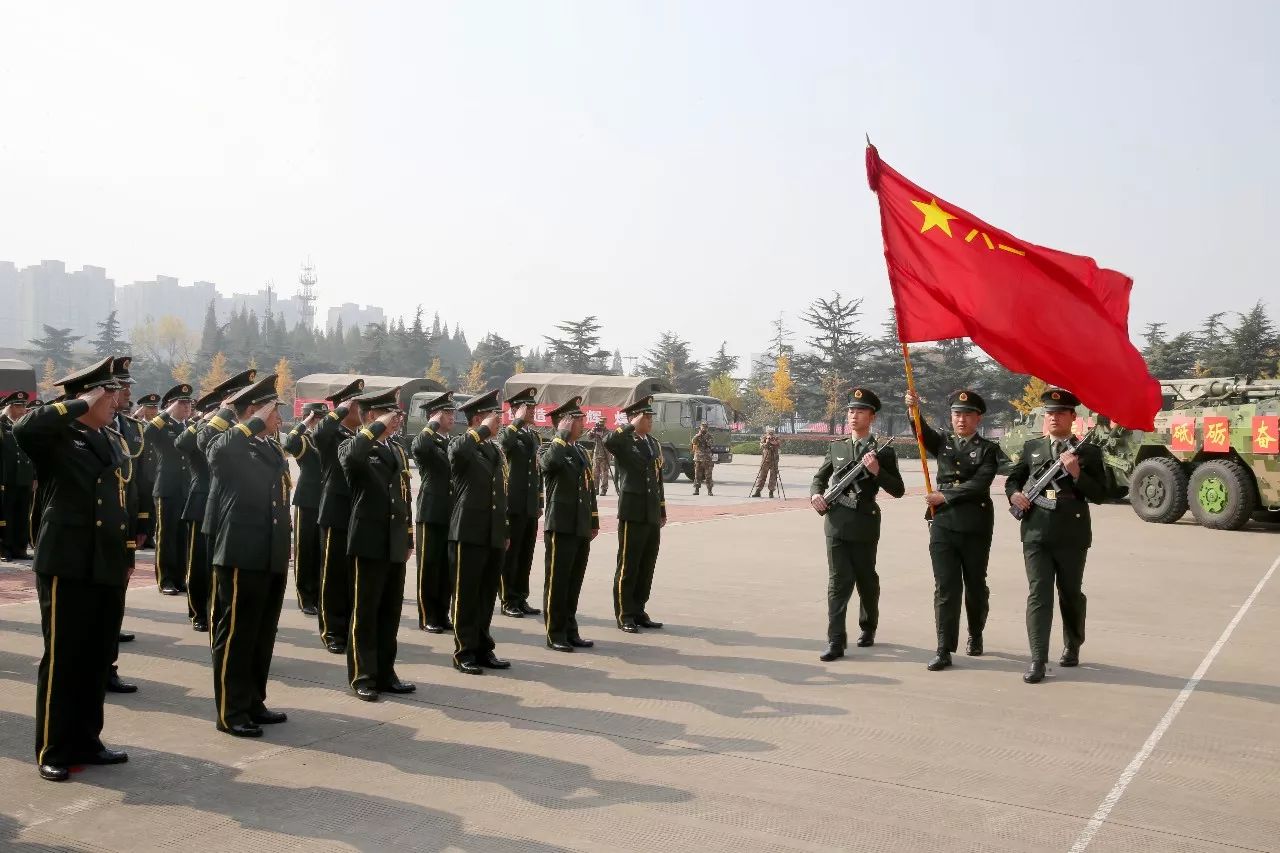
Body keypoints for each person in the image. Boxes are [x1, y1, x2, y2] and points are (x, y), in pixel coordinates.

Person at [15, 356, 132, 782]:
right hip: (67, 560)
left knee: (97, 656)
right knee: (64, 657)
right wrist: (79, 403)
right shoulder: (58, 434)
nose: (117, 400)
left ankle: (87, 739)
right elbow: (24, 428)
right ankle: (53, 746)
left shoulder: (108, 438)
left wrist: (126, 553)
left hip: (103, 560)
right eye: (110, 392)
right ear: (90, 394)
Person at [203, 373, 292, 736]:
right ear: (256, 411)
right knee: (237, 635)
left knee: (261, 633)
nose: (279, 419)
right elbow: (217, 450)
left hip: (269, 552)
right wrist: (251, 420)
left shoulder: (270, 446)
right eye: (274, 411)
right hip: (241, 553)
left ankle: (254, 700)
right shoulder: (231, 443)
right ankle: (231, 710)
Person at [1005, 388, 1107, 684]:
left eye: (1060, 413)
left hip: (1071, 535)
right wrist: (1015, 495)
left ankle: (1073, 643)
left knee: (1070, 594)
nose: (1053, 417)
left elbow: (1101, 494)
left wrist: (1076, 474)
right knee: (1039, 595)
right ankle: (1038, 659)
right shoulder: (1032, 448)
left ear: (1072, 417)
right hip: (1035, 532)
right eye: (1049, 413)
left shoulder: (1087, 451)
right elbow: (1014, 478)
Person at [905, 389, 1000, 672]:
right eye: (957, 414)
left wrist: (945, 495)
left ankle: (976, 632)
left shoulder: (988, 449)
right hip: (943, 524)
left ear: (978, 418)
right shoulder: (943, 443)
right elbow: (922, 434)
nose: (961, 419)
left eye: (967, 415)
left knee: (975, 585)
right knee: (945, 587)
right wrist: (914, 410)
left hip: (975, 524)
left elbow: (979, 484)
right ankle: (944, 648)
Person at [809, 388, 905, 662]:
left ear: (871, 417)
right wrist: (816, 493)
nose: (854, 416)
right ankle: (835, 641)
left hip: (864, 523)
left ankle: (868, 626)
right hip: (836, 522)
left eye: (860, 411)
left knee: (866, 579)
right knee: (838, 583)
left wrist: (877, 471)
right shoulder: (837, 446)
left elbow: (898, 489)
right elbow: (820, 477)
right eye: (851, 411)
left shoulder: (883, 452)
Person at [339, 387, 416, 701]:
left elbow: (404, 495)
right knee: (366, 612)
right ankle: (363, 674)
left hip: (394, 540)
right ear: (371, 415)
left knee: (389, 612)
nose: (396, 420)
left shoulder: (396, 449)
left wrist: (409, 536)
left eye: (397, 414)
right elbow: (353, 456)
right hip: (368, 540)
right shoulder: (353, 446)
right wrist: (375, 428)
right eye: (389, 413)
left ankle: (386, 672)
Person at [178, 370, 257, 633]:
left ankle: (225, 612)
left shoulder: (249, 426)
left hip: (234, 505)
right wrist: (214, 416)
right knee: (201, 565)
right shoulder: (211, 421)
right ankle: (199, 611)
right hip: (204, 500)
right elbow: (185, 443)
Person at [448, 389, 510, 675]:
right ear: (476, 419)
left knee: (487, 594)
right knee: (466, 593)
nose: (497, 421)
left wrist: (504, 530)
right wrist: (481, 430)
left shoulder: (493, 449)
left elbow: (500, 492)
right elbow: (459, 451)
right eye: (490, 416)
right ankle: (465, 651)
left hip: (492, 532)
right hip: (468, 531)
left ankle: (484, 647)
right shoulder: (462, 445)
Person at [540, 396, 599, 652]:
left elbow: (589, 489)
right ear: (563, 423)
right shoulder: (549, 448)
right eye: (577, 420)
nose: (582, 423)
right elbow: (549, 465)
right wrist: (560, 436)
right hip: (561, 525)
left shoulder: (579, 450)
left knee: (574, 581)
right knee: (558, 581)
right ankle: (555, 632)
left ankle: (570, 629)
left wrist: (593, 520)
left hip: (579, 525)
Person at [605, 395, 667, 633]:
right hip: (632, 511)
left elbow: (658, 480)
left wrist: (661, 509)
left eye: (651, 417)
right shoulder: (625, 441)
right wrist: (630, 424)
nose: (650, 421)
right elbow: (610, 441)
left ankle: (639, 609)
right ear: (634, 418)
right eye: (645, 417)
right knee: (629, 564)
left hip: (650, 511)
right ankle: (625, 613)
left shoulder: (652, 443)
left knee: (646, 564)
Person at [314, 378, 366, 654]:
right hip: (335, 512)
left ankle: (349, 626)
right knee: (332, 575)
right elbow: (319, 433)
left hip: (357, 512)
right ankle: (332, 630)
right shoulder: (331, 435)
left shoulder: (359, 437)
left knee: (350, 575)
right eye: (358, 405)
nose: (364, 411)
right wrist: (339, 410)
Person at [104, 357, 145, 694]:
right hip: (94, 529)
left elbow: (138, 480)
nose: (129, 391)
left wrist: (141, 520)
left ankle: (108, 667)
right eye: (121, 386)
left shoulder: (130, 427)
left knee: (116, 598)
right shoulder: (83, 426)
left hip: (124, 526)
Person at [410, 391, 457, 633]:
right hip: (431, 511)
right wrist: (431, 424)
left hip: (450, 512)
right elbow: (418, 446)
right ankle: (428, 615)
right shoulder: (426, 440)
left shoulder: (450, 443)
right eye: (447, 413)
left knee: (446, 567)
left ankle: (442, 613)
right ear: (435, 415)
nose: (452, 417)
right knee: (429, 566)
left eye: (452, 413)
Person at [144, 383, 195, 595]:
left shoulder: (188, 427)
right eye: (181, 403)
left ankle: (180, 577)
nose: (186, 407)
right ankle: (165, 579)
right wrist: (166, 412)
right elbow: (147, 432)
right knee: (166, 535)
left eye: (188, 403)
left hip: (185, 489)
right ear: (171, 405)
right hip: (167, 488)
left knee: (182, 537)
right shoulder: (162, 426)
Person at [499, 386, 543, 618]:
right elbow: (505, 443)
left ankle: (521, 596)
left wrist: (539, 500)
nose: (533, 411)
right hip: (513, 503)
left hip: (529, 504)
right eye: (528, 407)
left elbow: (537, 471)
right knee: (511, 554)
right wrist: (515, 421)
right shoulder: (509, 432)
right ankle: (508, 599)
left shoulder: (533, 435)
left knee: (526, 553)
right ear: (516, 409)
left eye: (533, 407)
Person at [283, 402, 327, 615]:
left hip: (326, 500)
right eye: (316, 418)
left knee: (322, 551)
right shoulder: (305, 440)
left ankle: (320, 594)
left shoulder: (326, 438)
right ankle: (306, 597)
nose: (319, 422)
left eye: (321, 418)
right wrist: (305, 423)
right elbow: (289, 443)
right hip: (307, 500)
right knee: (305, 550)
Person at [0, 390, 35, 560]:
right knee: (7, 514)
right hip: (8, 478)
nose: (23, 410)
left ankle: (20, 548)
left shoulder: (26, 425)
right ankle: (5, 548)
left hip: (25, 477)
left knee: (22, 514)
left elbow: (33, 451)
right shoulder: (1, 425)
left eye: (24, 406)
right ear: (10, 407)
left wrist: (34, 475)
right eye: (19, 406)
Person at [132, 392, 161, 548]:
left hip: (156, 472)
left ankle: (150, 536)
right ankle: (140, 535)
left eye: (155, 407)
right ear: (143, 408)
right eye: (149, 408)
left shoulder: (160, 426)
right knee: (142, 506)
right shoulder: (137, 425)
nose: (153, 411)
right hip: (141, 473)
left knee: (153, 507)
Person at [750, 426, 782, 498]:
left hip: (774, 459)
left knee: (773, 476)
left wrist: (773, 442)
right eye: (769, 433)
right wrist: (767, 442)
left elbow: (778, 444)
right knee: (761, 476)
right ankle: (758, 491)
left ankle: (771, 492)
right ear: (767, 433)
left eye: (772, 433)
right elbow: (762, 445)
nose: (770, 435)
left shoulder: (777, 438)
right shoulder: (764, 438)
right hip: (765, 460)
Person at [691, 421, 714, 496]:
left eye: (705, 427)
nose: (704, 428)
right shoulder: (697, 436)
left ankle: (709, 490)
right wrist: (698, 435)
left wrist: (705, 437)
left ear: (707, 428)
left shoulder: (710, 436)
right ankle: (696, 490)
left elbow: (710, 444)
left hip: (707, 459)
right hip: (698, 458)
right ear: (700, 427)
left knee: (708, 475)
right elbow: (693, 442)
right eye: (702, 427)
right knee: (697, 475)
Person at [589, 420, 612, 495]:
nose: (600, 427)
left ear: (604, 424)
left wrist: (601, 435)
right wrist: (592, 432)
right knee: (595, 473)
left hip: (605, 454)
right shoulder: (595, 430)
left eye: (601, 425)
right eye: (599, 425)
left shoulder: (608, 432)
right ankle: (596, 489)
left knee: (604, 473)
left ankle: (604, 489)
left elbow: (608, 441)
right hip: (596, 454)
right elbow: (589, 437)